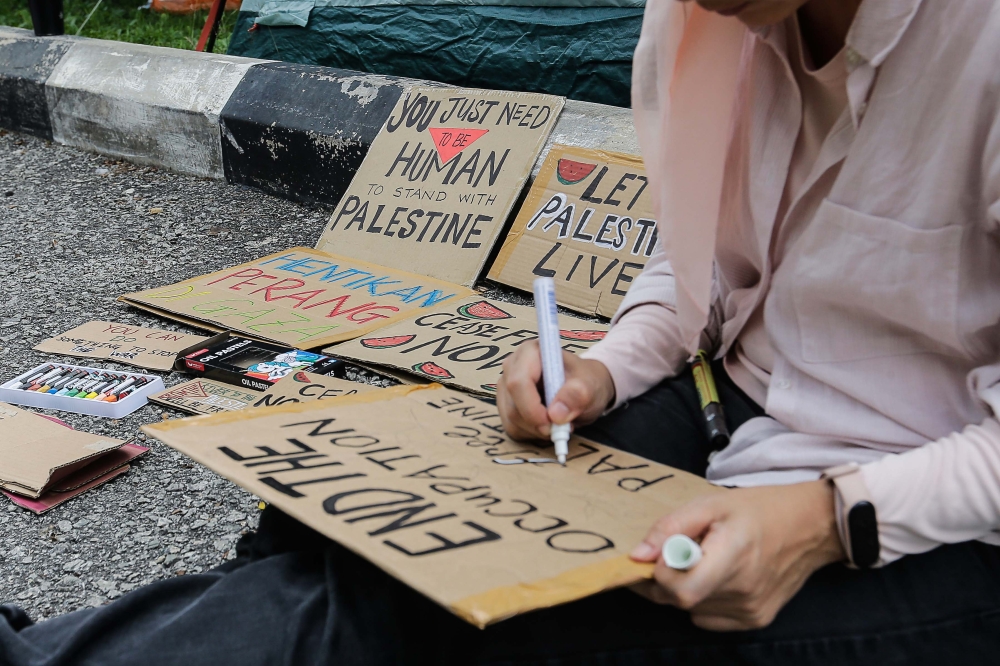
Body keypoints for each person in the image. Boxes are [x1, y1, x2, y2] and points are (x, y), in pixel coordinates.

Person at [2, 0, 999, 663]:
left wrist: (824, 523)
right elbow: (702, 260)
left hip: (933, 513)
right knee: (356, 525)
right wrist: (602, 369)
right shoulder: (719, 21)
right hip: (735, 421)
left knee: (479, 612)